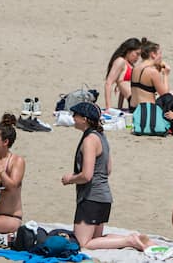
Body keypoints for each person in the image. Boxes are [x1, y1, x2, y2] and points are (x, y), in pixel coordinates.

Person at [61, 102, 152, 251]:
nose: (72, 118)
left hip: (92, 198)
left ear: (84, 119)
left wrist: (70, 179)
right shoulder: (101, 136)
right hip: (103, 198)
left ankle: (129, 240)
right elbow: (108, 169)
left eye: (75, 115)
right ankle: (133, 237)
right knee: (96, 240)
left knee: (83, 244)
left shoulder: (89, 140)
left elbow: (87, 175)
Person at [103, 38, 143, 111]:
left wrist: (120, 107)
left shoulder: (130, 65)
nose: (138, 57)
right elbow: (108, 83)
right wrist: (108, 107)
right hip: (135, 101)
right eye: (137, 54)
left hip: (137, 100)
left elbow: (123, 86)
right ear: (128, 50)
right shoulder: (120, 61)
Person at [130, 41, 171, 108]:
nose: (161, 57)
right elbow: (166, 96)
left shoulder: (135, 69)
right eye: (160, 53)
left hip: (133, 109)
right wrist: (165, 75)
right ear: (153, 54)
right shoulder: (152, 72)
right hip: (147, 111)